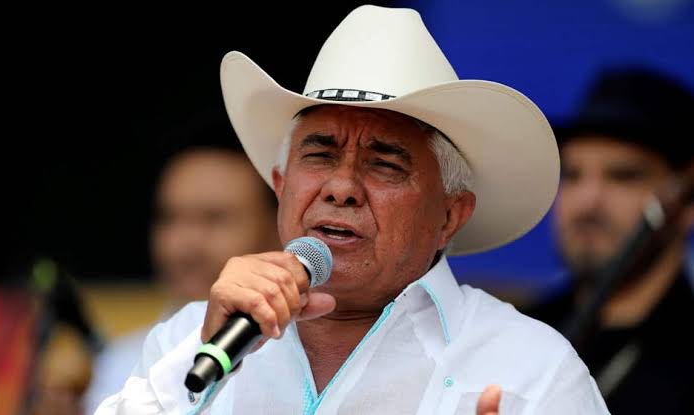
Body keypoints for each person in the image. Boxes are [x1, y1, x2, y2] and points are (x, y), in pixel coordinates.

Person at [97, 6, 609, 414]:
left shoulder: (531, 371)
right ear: (281, 187)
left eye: (384, 164)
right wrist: (197, 369)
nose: (341, 188)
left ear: (449, 216)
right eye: (320, 155)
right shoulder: (189, 339)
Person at [525, 68, 694, 413]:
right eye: (572, 175)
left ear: (686, 201)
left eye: (623, 176)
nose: (588, 202)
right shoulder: (521, 333)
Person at [84, 137, 279, 413]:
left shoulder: (311, 356)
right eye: (169, 217)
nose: (185, 243)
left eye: (215, 218)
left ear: (277, 226)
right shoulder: (120, 361)